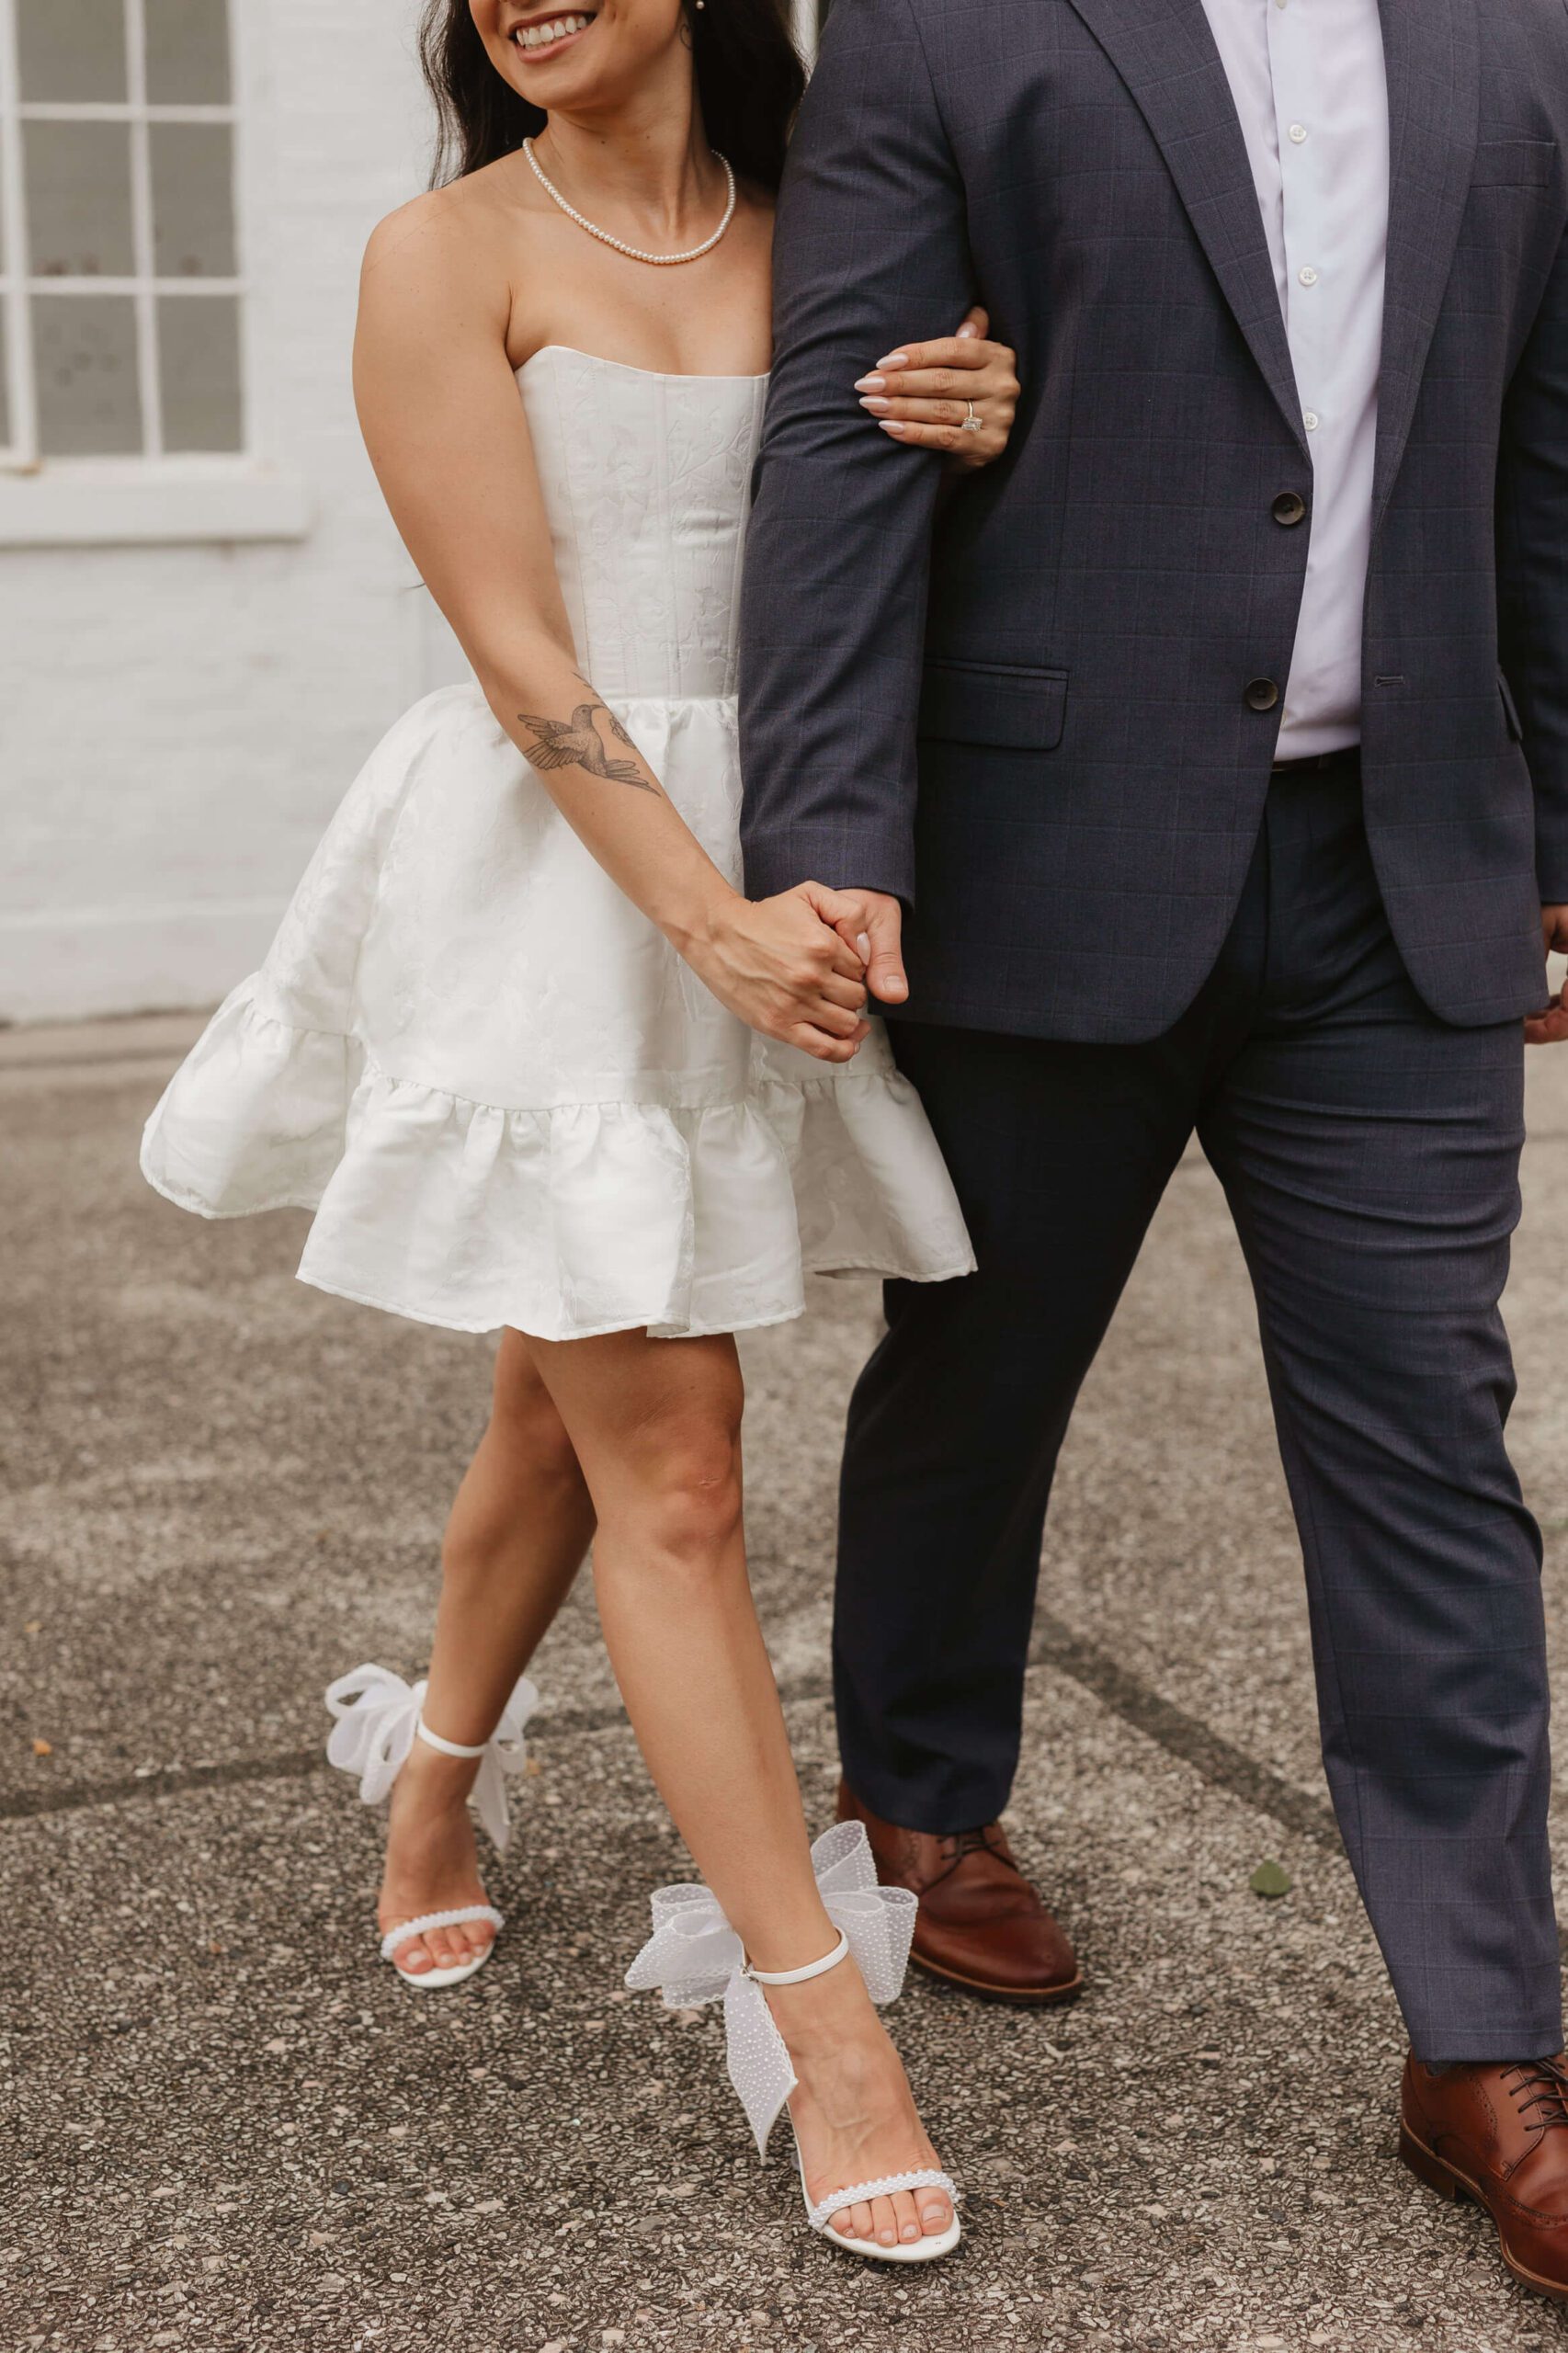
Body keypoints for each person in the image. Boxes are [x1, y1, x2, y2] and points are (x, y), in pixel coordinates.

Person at [140, 0, 1025, 2266]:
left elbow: (912, 547)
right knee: (681, 1452)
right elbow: (524, 650)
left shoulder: (847, 222)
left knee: (557, 1390)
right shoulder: (444, 251)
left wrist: (981, 413)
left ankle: (428, 1774)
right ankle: (824, 2031)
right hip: (559, 883)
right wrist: (707, 924)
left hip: (790, 855)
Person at [739, 0, 1568, 2295]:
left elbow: (1542, 446)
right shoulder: (936, 23)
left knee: (1428, 1427)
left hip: (1397, 880)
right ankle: (918, 1785)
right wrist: (824, 824)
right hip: (1039, 853)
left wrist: (1554, 829)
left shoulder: (1524, 36)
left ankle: (1487, 2041)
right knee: (977, 1366)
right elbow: (846, 430)